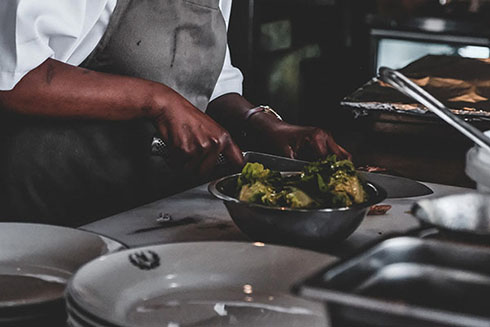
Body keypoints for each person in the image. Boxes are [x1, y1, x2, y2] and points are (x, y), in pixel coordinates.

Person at [0, 0, 350, 226]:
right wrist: (157, 100)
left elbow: (209, 80)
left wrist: (259, 120)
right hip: (53, 210)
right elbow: (13, 79)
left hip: (148, 208)